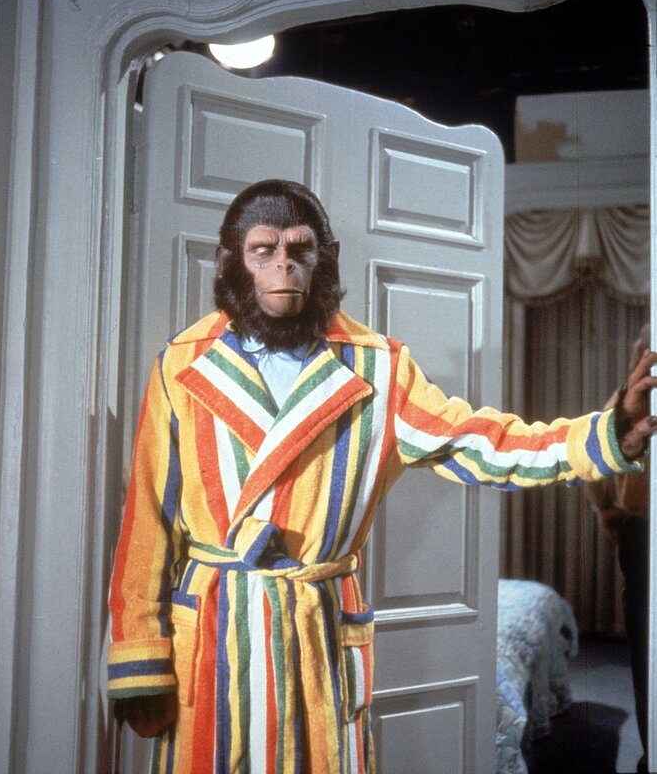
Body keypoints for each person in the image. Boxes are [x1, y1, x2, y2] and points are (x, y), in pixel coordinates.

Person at [107, 180, 657, 774]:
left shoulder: (377, 368)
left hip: (316, 635)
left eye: (301, 248)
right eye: (263, 250)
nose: (284, 265)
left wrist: (605, 434)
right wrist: (140, 657)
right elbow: (148, 524)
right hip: (214, 636)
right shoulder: (183, 363)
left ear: (326, 258)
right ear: (231, 262)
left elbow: (481, 443)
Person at [587, 323, 651, 774]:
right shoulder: (627, 400)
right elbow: (591, 459)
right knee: (647, 657)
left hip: (636, 530)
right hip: (641, 534)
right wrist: (606, 508)